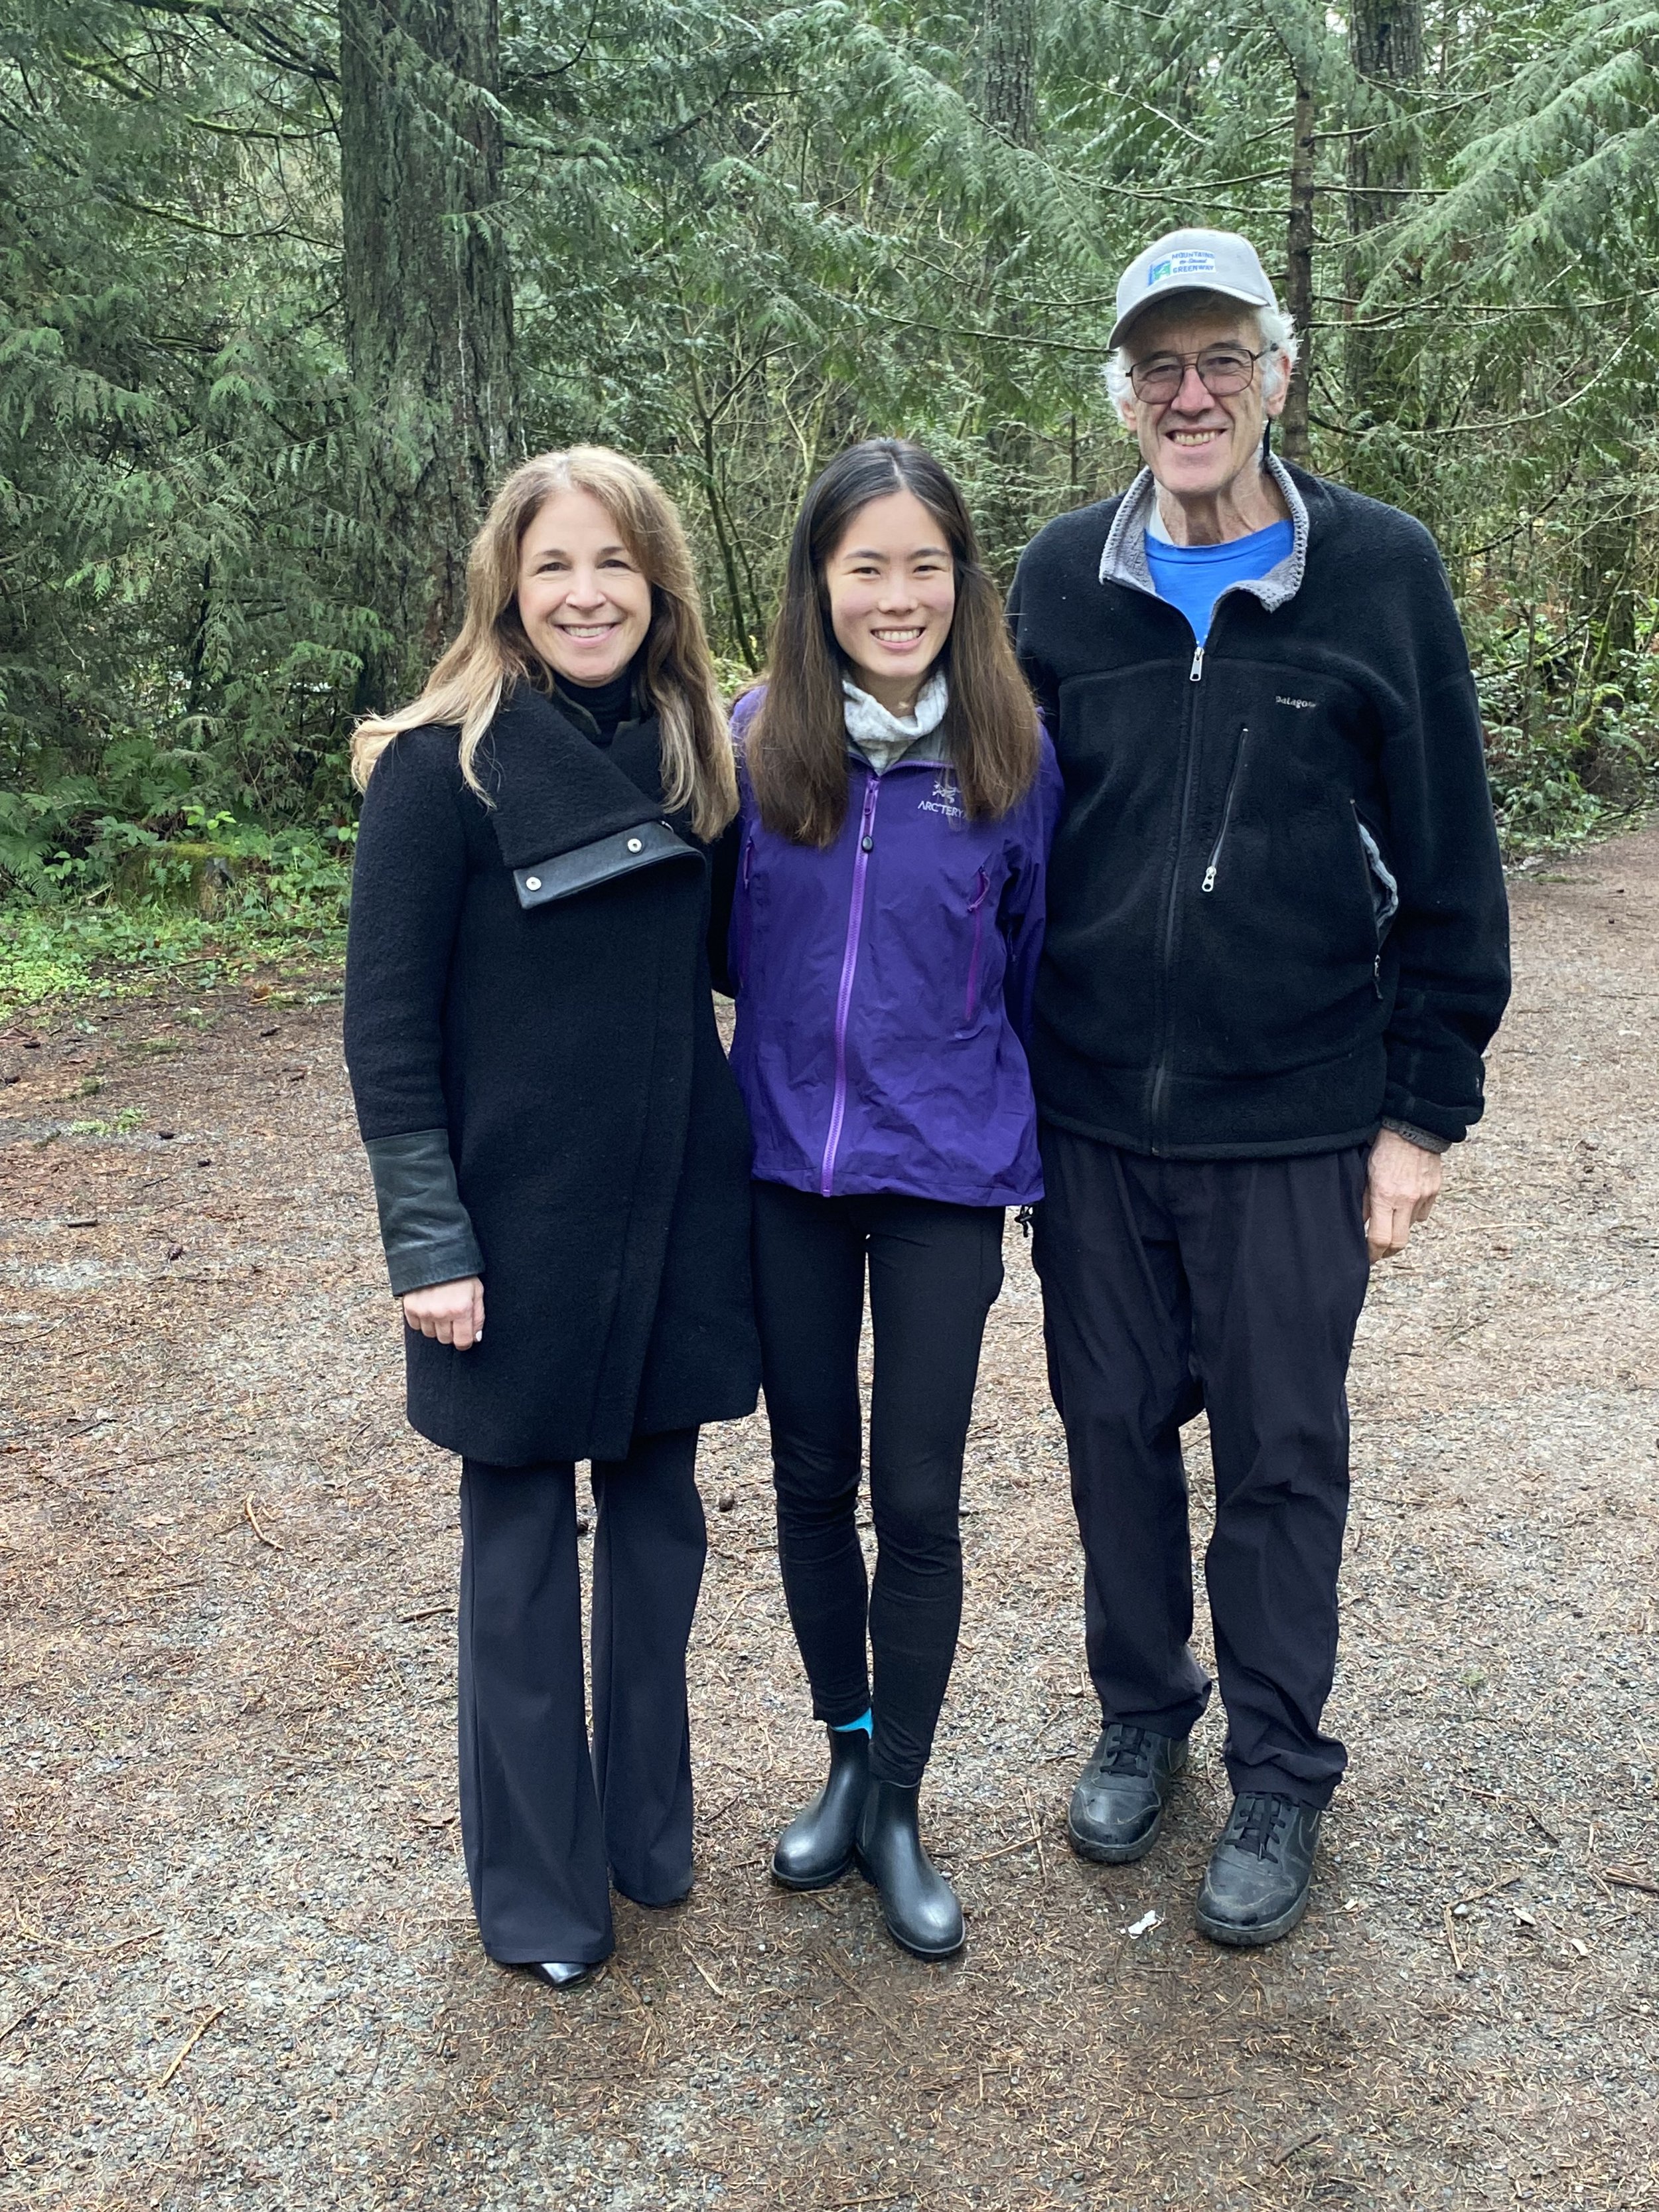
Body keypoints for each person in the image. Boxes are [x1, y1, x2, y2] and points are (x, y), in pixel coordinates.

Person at [1007, 230, 1511, 1947]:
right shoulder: (1057, 583)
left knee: (1280, 1452)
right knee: (1108, 1430)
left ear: (1275, 374)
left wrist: (1419, 1112)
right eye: (1158, 365)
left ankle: (1281, 1765)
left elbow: (1449, 865)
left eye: (1220, 357)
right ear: (1122, 395)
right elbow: (986, 819)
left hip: (1294, 1110)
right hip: (1091, 1110)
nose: (1190, 393)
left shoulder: (1379, 573)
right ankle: (1143, 1709)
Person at [343, 447, 760, 1990]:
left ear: (659, 586)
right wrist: (428, 1241)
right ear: (506, 592)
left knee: (657, 1538)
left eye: (614, 564)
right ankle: (535, 1890)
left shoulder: (696, 762)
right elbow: (386, 1030)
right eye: (553, 567)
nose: (586, 593)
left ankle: (645, 1833)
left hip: (674, 1209)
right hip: (510, 1236)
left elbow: (748, 963)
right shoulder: (436, 769)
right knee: (518, 1559)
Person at [727, 439, 1061, 1959]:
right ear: (819, 582)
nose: (896, 594)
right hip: (785, 1169)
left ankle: (904, 1802)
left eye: (924, 563)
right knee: (809, 1480)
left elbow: (1037, 960)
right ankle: (848, 1756)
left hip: (943, 1172)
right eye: (865, 564)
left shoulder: (1012, 755)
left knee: (915, 1497)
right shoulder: (752, 744)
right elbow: (722, 948)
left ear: (961, 579)